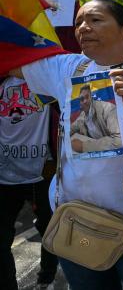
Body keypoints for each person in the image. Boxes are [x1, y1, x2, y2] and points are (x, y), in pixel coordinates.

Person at [7, 0, 123, 290]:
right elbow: (10, 58)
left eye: (95, 20)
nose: (83, 28)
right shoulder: (68, 68)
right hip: (76, 220)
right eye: (79, 22)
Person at [0, 77, 58, 290]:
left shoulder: (43, 77)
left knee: (51, 232)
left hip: (41, 173)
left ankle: (47, 278)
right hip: (4, 177)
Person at [69, 84, 122, 153]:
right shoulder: (83, 115)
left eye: (87, 97)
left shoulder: (108, 109)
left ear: (92, 97)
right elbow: (71, 128)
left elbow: (119, 142)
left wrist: (83, 146)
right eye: (82, 99)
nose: (84, 101)